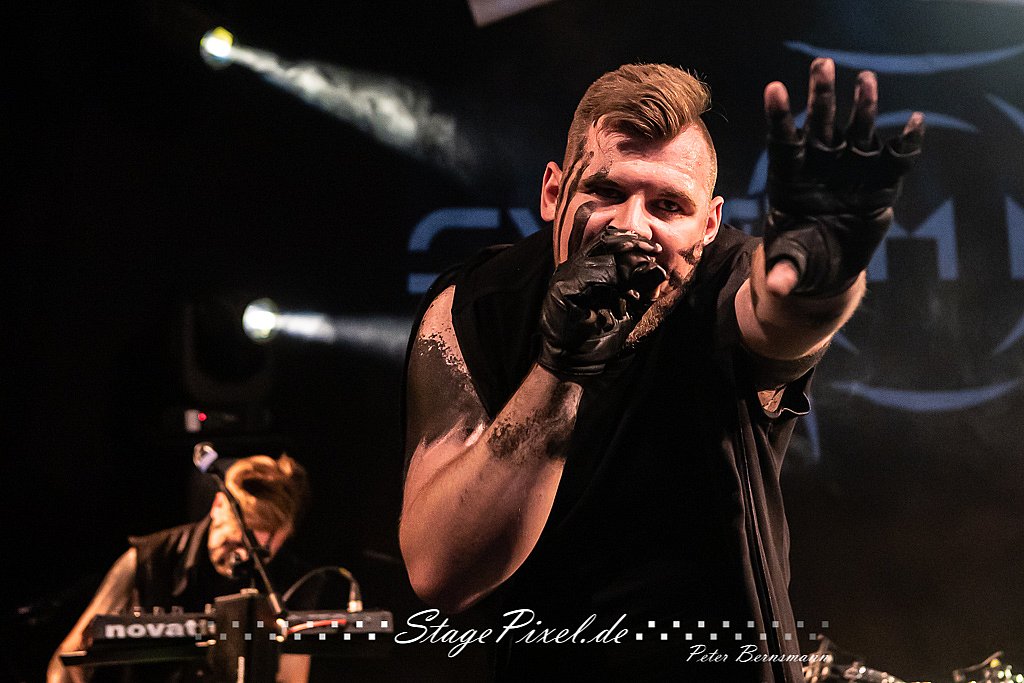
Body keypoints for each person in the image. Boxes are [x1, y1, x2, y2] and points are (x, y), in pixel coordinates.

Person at [399, 58, 923, 681]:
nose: (632, 226)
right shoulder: (477, 305)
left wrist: (822, 281)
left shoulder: (728, 280)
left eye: (669, 205)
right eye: (606, 192)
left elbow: (781, 317)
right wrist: (561, 367)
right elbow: (440, 572)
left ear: (710, 225)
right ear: (553, 193)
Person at [48, 453, 314, 683]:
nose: (244, 556)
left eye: (260, 554)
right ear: (218, 506)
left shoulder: (294, 581)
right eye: (234, 543)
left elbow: (291, 677)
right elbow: (69, 659)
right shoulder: (150, 559)